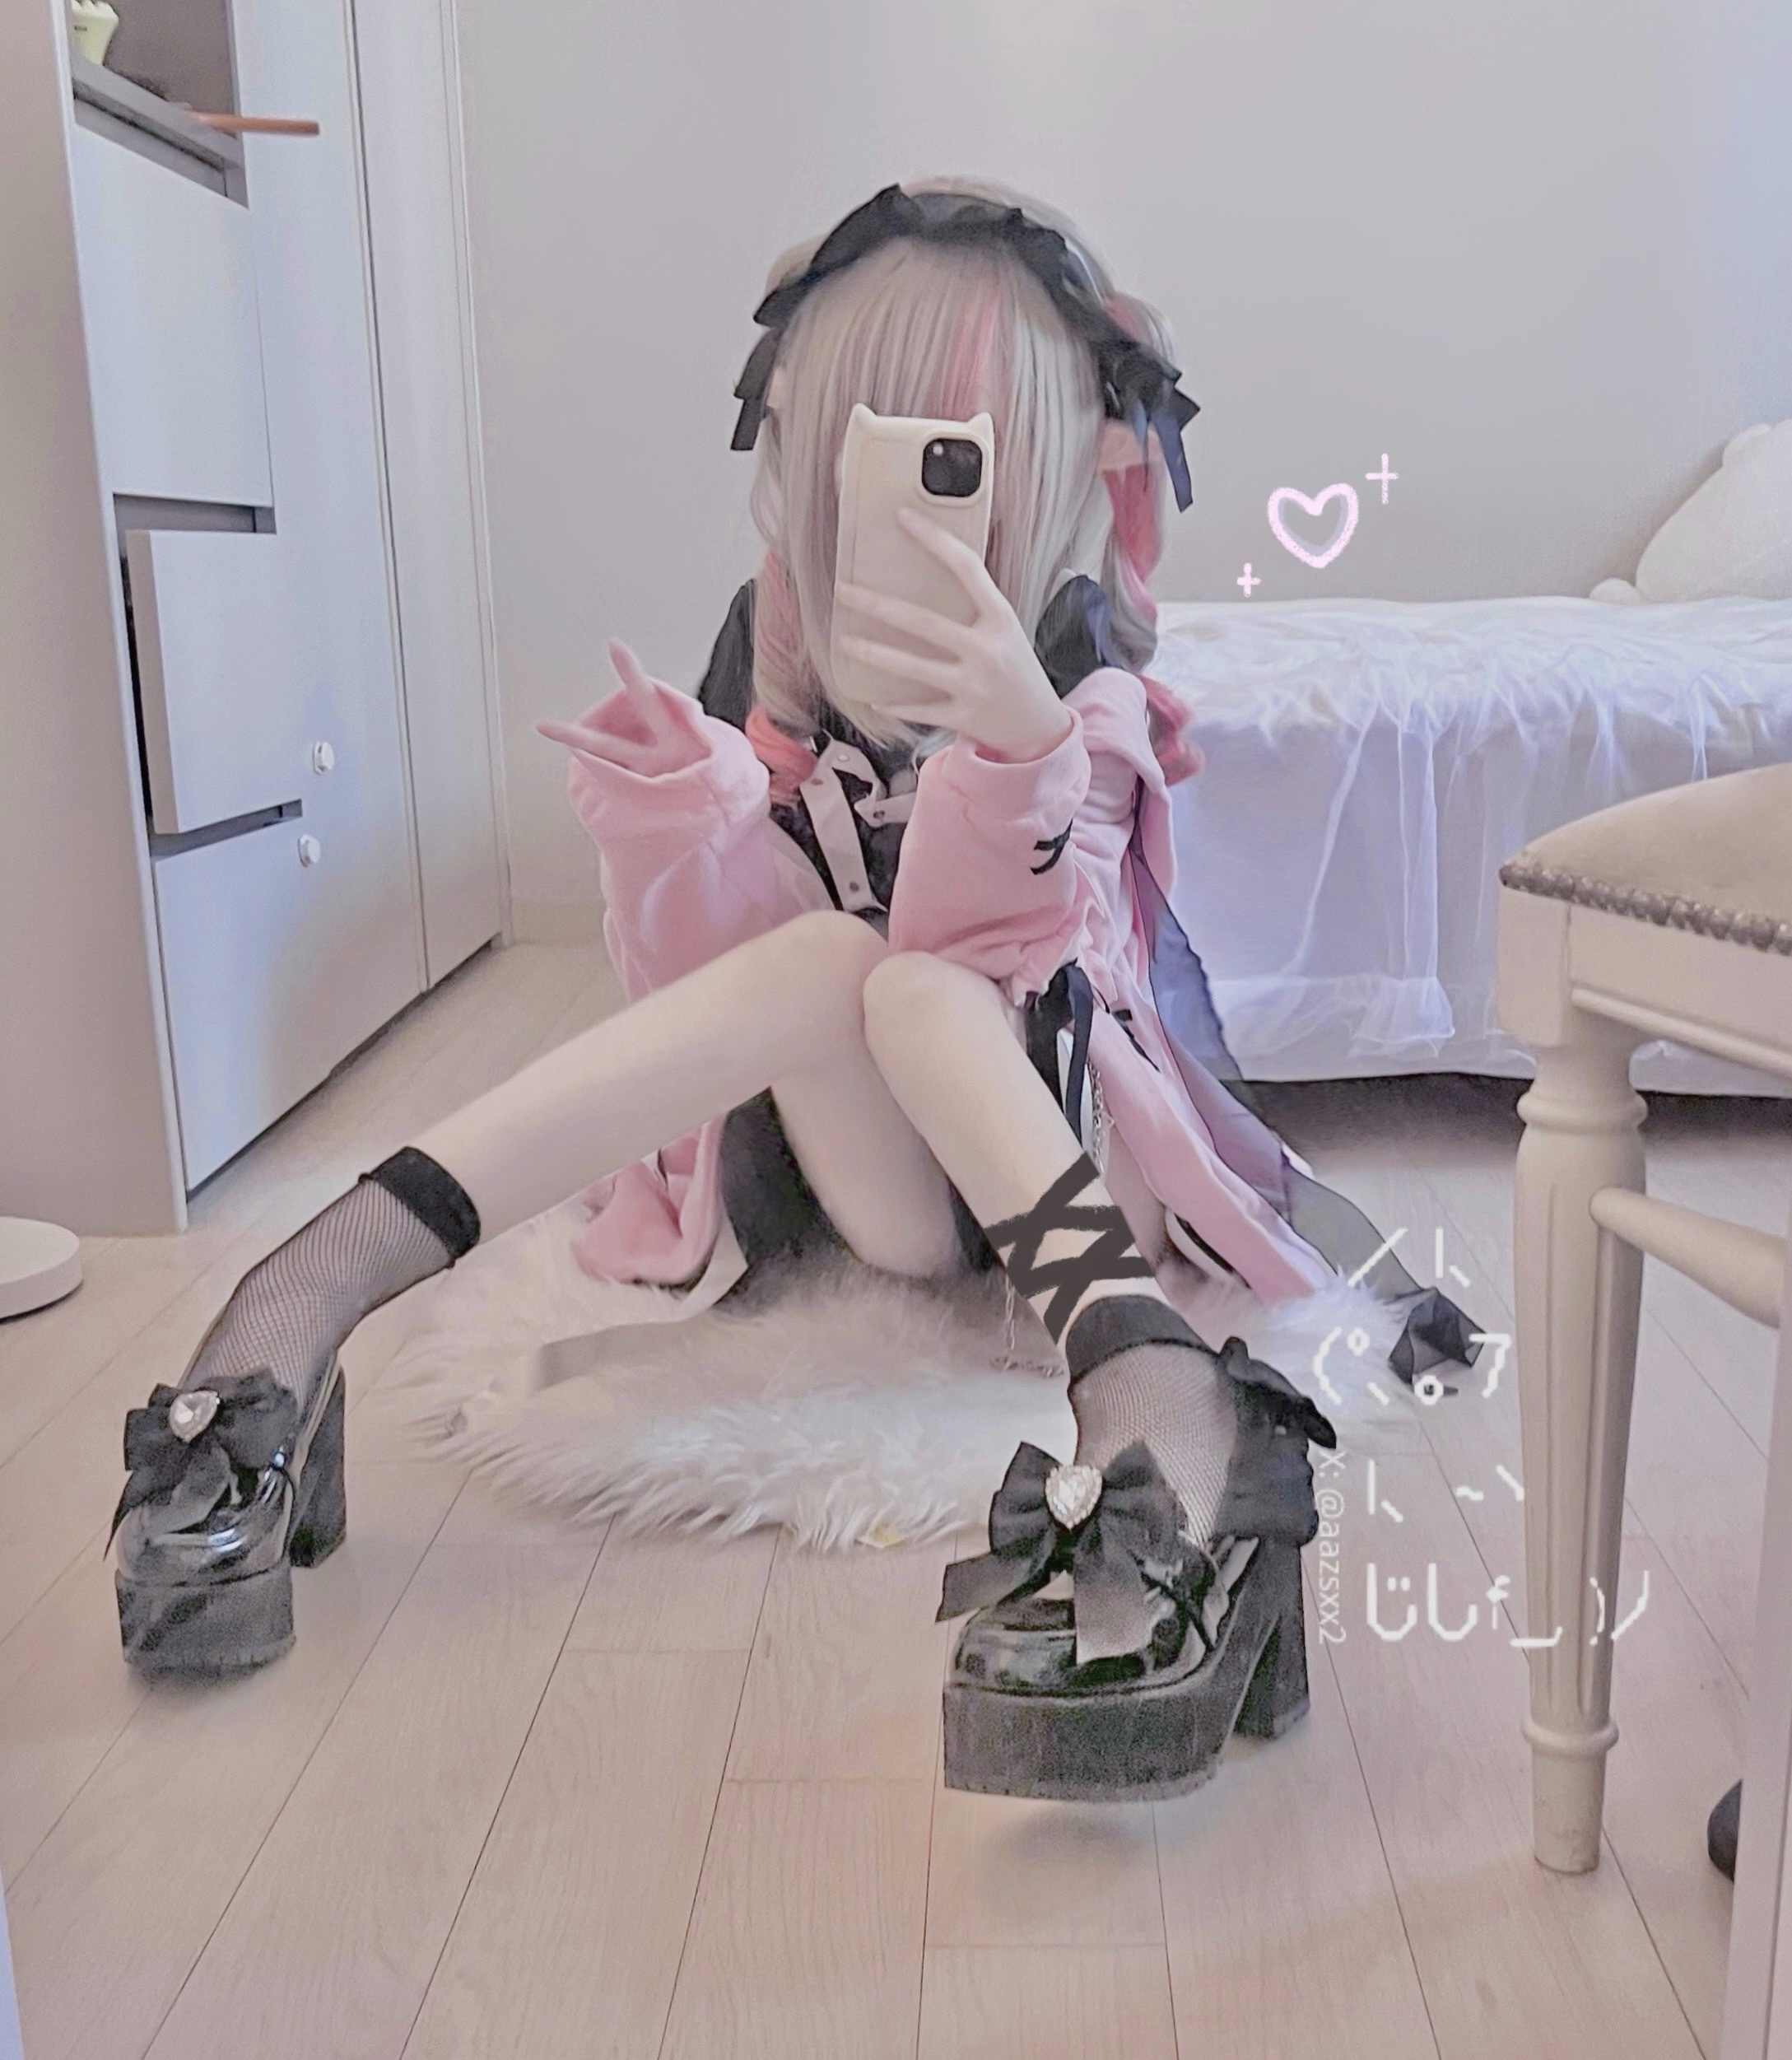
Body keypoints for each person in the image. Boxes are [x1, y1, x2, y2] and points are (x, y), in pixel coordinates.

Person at [110, 180, 1474, 1795]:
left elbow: (1017, 949)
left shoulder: (1083, 664)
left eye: (966, 451)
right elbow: (707, 983)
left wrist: (1015, 742)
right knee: (839, 965)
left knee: (916, 988)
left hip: (1047, 1148)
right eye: (876, 442)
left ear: (1043, 462)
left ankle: (1153, 1386)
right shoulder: (763, 646)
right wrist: (672, 815)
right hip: (870, 1183)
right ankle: (316, 1289)